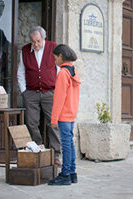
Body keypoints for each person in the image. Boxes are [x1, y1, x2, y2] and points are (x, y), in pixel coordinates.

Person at [17, 26, 61, 165]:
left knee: (53, 123)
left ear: (44, 38)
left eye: (38, 41)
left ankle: (55, 155)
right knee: (31, 122)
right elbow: (21, 72)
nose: (35, 44)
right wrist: (24, 91)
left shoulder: (53, 48)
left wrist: (58, 90)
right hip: (31, 93)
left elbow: (60, 70)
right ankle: (38, 150)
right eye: (33, 41)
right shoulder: (25, 50)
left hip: (50, 92)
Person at [48, 44, 81, 186]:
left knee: (66, 144)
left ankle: (65, 174)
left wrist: (54, 118)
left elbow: (59, 98)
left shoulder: (62, 73)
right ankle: (72, 173)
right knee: (70, 144)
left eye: (55, 58)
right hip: (71, 112)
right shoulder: (73, 70)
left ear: (61, 56)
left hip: (63, 115)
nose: (54, 61)